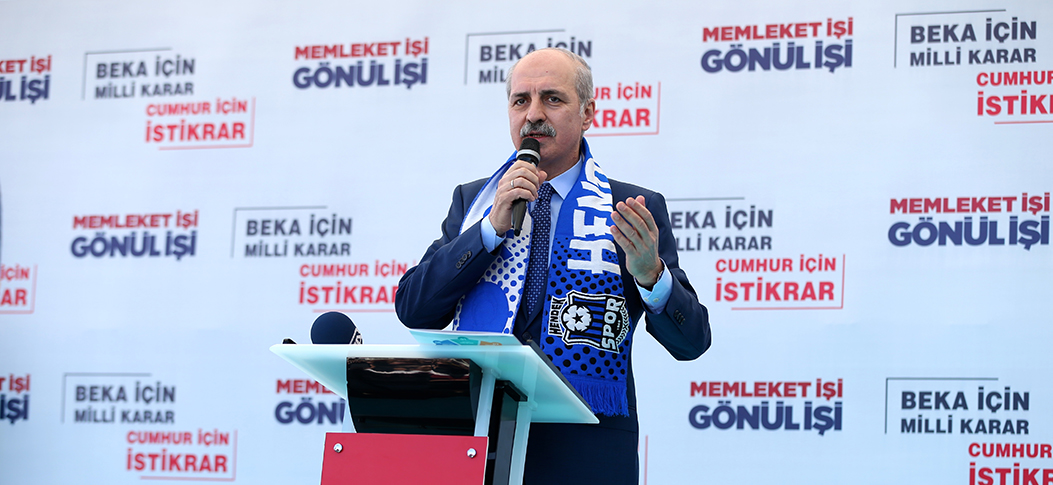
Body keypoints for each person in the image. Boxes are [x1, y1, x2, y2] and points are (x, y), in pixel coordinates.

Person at [395, 48, 711, 484]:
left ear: (587, 114)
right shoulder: (476, 203)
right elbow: (415, 308)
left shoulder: (630, 208)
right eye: (520, 100)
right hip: (479, 444)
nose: (533, 115)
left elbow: (691, 341)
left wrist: (651, 276)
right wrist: (487, 231)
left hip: (585, 454)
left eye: (552, 99)